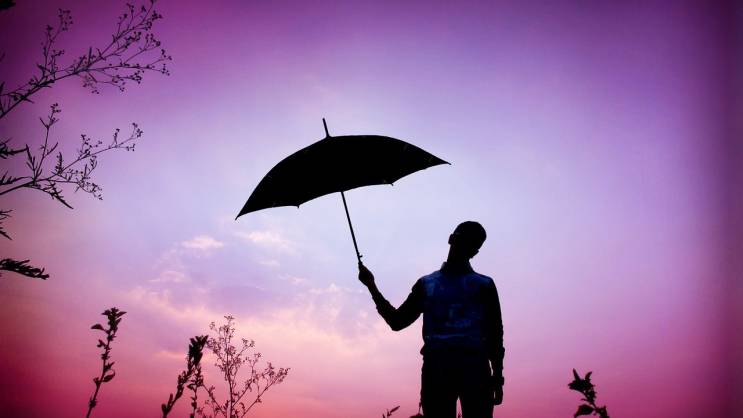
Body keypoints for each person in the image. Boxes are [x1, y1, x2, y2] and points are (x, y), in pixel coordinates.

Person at [358, 221, 504, 418]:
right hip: (464, 370)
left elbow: (397, 321)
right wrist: (371, 285)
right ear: (474, 251)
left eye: (470, 243)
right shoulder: (481, 284)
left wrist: (372, 286)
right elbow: (495, 335)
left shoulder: (431, 284)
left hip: (445, 369)